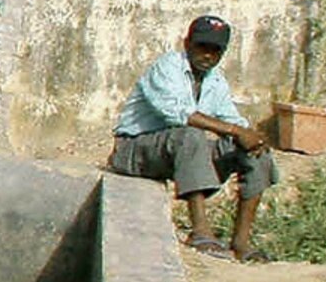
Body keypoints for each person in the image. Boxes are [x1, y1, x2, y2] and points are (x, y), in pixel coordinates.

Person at [109, 13, 276, 260]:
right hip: (134, 151)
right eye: (202, 47)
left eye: (215, 50)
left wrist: (251, 136)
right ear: (187, 44)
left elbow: (232, 119)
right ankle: (200, 231)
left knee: (253, 152)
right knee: (191, 135)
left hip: (175, 154)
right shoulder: (167, 66)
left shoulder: (215, 81)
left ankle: (241, 242)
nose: (207, 55)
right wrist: (236, 131)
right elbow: (178, 114)